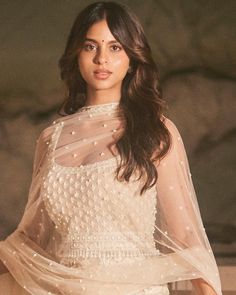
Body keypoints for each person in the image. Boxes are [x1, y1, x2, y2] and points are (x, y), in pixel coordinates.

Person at [0, 1, 222, 294]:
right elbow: (32, 238)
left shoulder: (155, 130)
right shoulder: (50, 139)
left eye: (115, 47)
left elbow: (185, 235)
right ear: (76, 54)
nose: (102, 59)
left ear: (132, 57)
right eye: (91, 46)